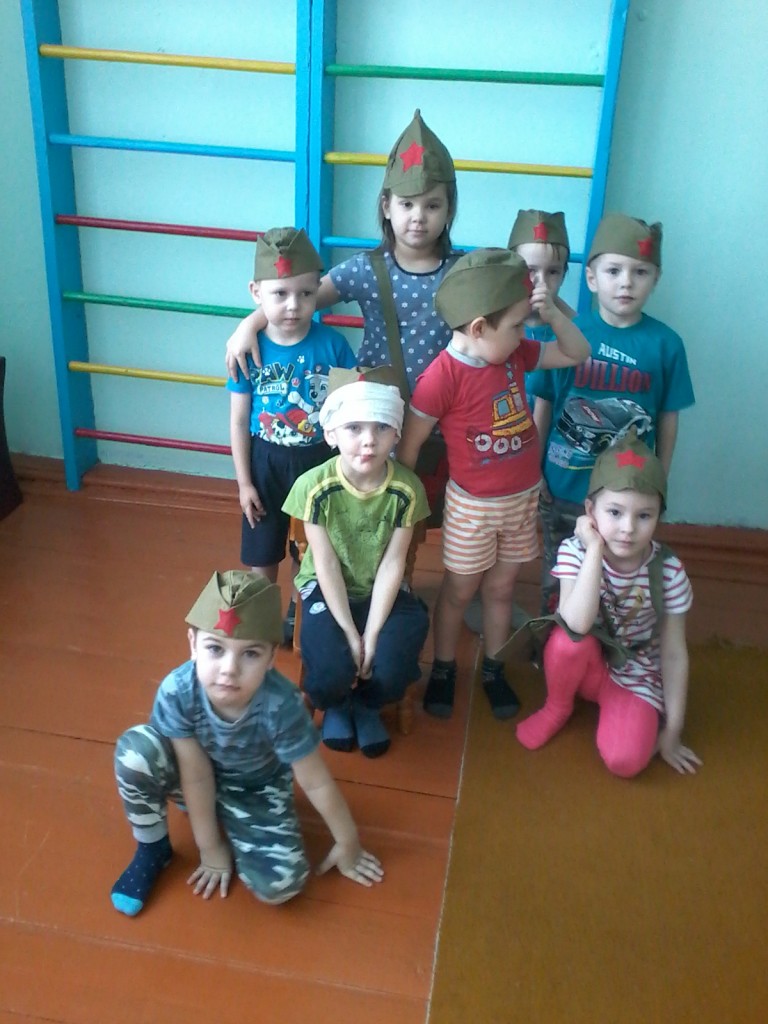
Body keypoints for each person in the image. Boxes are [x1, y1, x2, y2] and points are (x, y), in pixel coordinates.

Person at [225, 108, 461, 527]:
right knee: (368, 507)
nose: (418, 216)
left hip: (440, 415)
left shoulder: (461, 273)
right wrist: (250, 324)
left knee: (419, 511)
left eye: (432, 205)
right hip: (374, 412)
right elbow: (299, 297)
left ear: (449, 209)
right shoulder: (365, 269)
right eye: (407, 204)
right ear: (386, 206)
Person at [110, 570, 383, 917]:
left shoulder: (281, 704)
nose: (229, 669)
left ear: (271, 659)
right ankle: (153, 848)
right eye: (215, 649)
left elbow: (316, 781)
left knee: (281, 885)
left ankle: (234, 820)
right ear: (193, 645)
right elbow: (195, 775)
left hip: (255, 790)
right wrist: (210, 848)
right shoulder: (177, 690)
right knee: (136, 753)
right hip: (192, 780)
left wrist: (348, 842)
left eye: (250, 654)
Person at [397, 249, 590, 720]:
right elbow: (410, 445)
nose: (525, 334)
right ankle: (445, 669)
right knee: (459, 593)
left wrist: (552, 313)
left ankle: (494, 668)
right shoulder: (441, 377)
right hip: (473, 510)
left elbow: (576, 351)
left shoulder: (512, 354)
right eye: (518, 325)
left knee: (502, 591)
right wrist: (403, 505)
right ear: (479, 327)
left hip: (521, 502)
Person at [529, 213, 695, 616]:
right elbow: (544, 404)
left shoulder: (667, 345)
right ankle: (556, 634)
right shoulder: (564, 333)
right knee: (560, 571)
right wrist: (533, 469)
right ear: (591, 278)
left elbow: (668, 417)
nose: (626, 282)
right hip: (564, 485)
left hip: (629, 494)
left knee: (620, 578)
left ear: (655, 279)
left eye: (640, 272)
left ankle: (611, 640)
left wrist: (660, 478)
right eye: (614, 270)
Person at [513, 431, 702, 778]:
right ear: (590, 511)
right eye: (614, 512)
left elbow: (675, 653)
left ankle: (625, 711)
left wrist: (673, 730)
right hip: (588, 664)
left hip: (636, 676)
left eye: (644, 516)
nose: (627, 528)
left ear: (659, 516)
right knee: (567, 641)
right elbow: (575, 625)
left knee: (624, 761)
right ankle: (558, 706)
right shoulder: (575, 551)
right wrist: (595, 549)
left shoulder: (669, 571)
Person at [282, 366, 431, 758]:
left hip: (381, 589)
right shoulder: (313, 486)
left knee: (396, 658)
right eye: (354, 428)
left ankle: (367, 706)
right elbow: (326, 565)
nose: (369, 440)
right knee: (329, 663)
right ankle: (337, 703)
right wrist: (351, 633)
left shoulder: (406, 489)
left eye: (382, 427)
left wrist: (373, 634)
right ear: (331, 433)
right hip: (327, 588)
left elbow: (393, 565)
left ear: (396, 434)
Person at [227, 227, 357, 641]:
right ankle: (261, 625)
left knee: (313, 550)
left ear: (318, 291)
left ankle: (300, 616)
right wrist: (244, 483)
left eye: (305, 293)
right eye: (280, 293)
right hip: (265, 464)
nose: (293, 305)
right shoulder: (247, 350)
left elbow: (348, 410)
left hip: (319, 462)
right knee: (262, 555)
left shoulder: (335, 346)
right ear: (256, 292)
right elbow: (238, 421)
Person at [463, 209, 575, 636]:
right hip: (489, 454)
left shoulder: (564, 330)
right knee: (483, 533)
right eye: (530, 270)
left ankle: (507, 600)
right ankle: (479, 598)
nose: (541, 283)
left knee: (520, 537)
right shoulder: (493, 323)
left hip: (534, 458)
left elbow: (549, 405)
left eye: (553, 272)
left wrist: (539, 467)